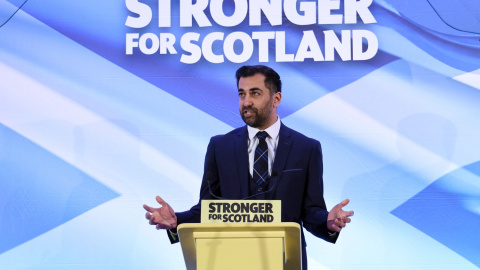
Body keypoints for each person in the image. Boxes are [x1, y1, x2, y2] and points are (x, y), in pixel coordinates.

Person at [143, 65, 353, 269]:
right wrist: (176, 221)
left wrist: (327, 221)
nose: (246, 102)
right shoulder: (220, 146)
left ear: (276, 99)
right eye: (242, 94)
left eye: (255, 93)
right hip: (229, 259)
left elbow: (310, 211)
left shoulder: (306, 148)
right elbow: (209, 210)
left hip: (286, 260)